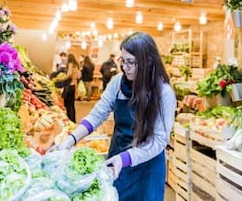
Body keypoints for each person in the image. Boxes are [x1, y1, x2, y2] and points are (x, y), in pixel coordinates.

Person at [52, 32, 176, 200]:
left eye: (131, 62)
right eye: (122, 61)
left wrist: (126, 158)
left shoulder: (164, 93)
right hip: (117, 163)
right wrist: (70, 140)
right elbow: (98, 114)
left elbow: (159, 141)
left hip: (147, 168)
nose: (125, 67)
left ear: (148, 61)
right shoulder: (118, 82)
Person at [55, 53, 81, 122]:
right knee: (72, 104)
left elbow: (69, 74)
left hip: (69, 85)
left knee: (68, 104)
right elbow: (78, 76)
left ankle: (70, 119)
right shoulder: (77, 65)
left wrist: (62, 78)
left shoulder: (70, 64)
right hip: (74, 85)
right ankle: (73, 120)